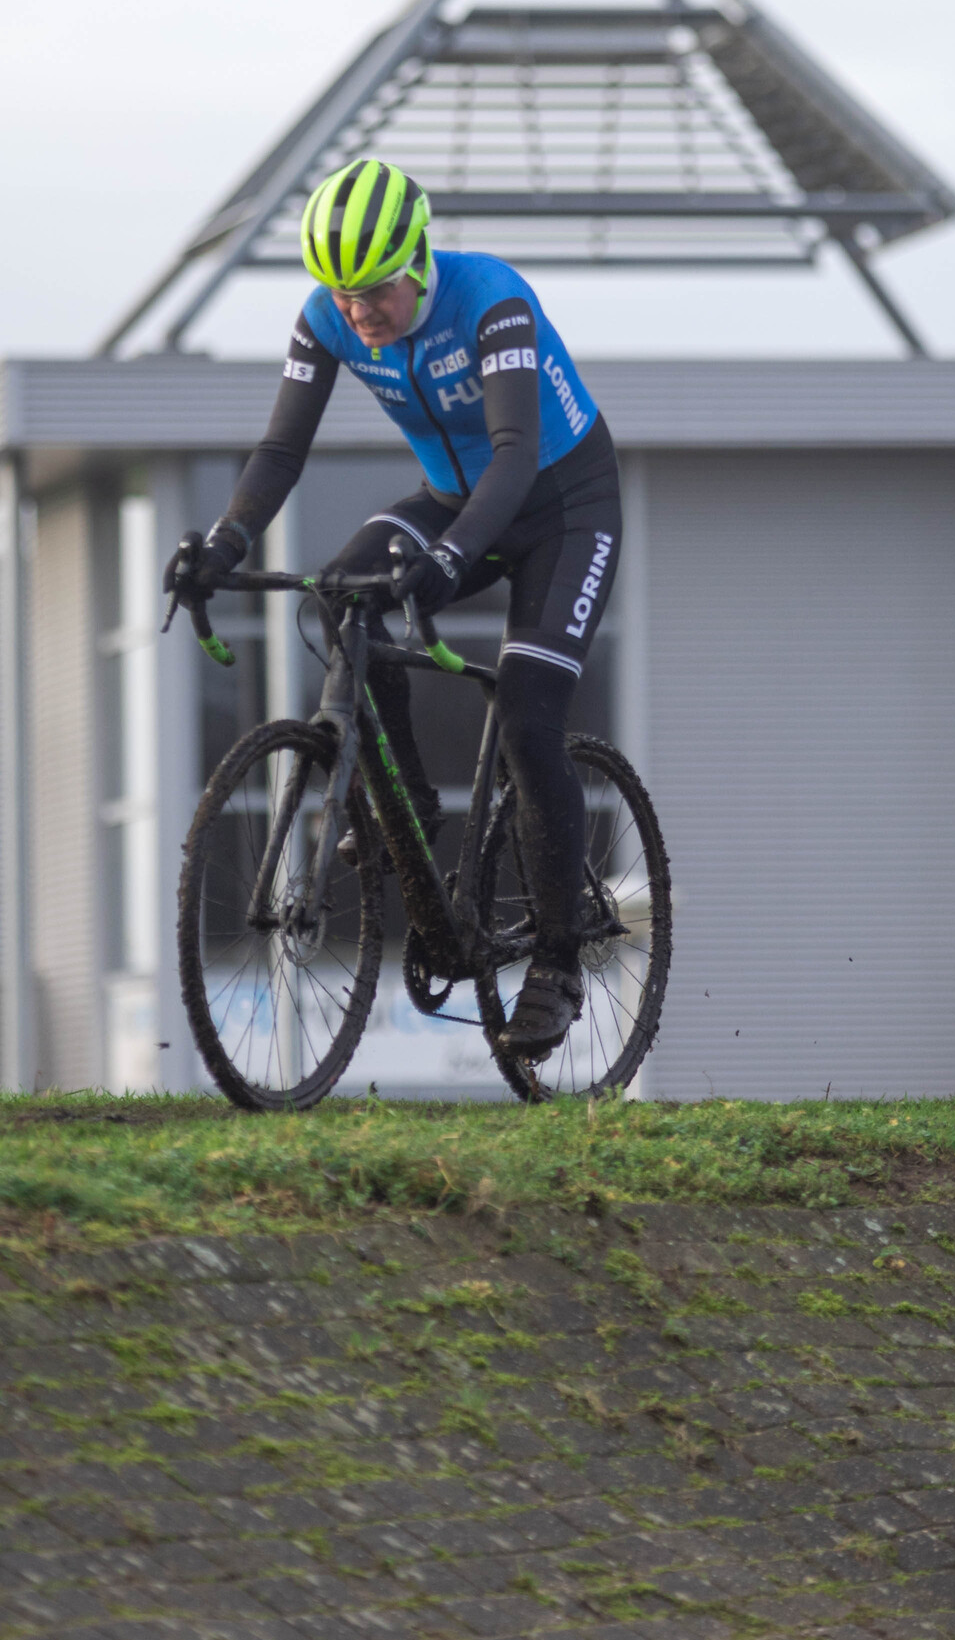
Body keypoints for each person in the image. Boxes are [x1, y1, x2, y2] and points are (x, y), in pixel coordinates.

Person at [165, 155, 620, 1059]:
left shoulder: (493, 301)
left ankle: (560, 963)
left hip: (561, 506)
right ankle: (403, 802)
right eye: (339, 293)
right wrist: (225, 541)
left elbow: (516, 452)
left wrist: (452, 560)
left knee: (530, 722)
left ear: (417, 261)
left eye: (373, 291)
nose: (358, 313)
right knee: (340, 595)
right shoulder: (329, 317)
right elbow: (281, 449)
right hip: (456, 496)